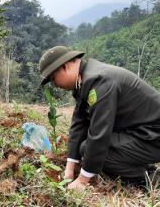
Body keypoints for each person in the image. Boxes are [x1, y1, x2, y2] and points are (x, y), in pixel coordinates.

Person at [39, 45, 160, 190]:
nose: (56, 85)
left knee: (98, 152)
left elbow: (99, 133)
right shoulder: (85, 80)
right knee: (88, 148)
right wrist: (69, 169)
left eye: (53, 79)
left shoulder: (100, 82)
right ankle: (146, 170)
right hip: (142, 133)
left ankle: (154, 180)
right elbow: (79, 123)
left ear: (65, 67)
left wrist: (82, 180)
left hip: (154, 135)